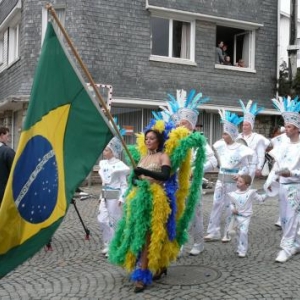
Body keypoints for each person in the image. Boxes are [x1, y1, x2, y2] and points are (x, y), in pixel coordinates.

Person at [204, 110, 253, 242]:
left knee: (229, 205)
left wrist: (239, 175)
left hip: (233, 182)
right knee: (216, 204)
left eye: (225, 133)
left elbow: (246, 166)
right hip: (221, 180)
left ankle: (227, 231)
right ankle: (212, 231)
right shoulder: (220, 146)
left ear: (232, 134)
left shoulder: (241, 149)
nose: (223, 136)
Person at [264, 96, 300, 263]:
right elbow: (277, 166)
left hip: (296, 186)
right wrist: (270, 181)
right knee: (285, 217)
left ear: (297, 128)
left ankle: (286, 248)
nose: (286, 129)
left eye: (290, 126)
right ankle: (294, 243)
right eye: (286, 126)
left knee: (292, 217)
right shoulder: (283, 145)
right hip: (284, 186)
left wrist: (292, 174)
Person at [97, 133, 130, 257]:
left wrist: (122, 197)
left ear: (113, 151)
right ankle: (107, 243)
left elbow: (124, 184)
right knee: (102, 219)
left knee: (114, 221)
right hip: (105, 195)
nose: (104, 151)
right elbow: (104, 183)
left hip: (115, 196)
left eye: (106, 149)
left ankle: (114, 244)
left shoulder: (119, 166)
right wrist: (101, 197)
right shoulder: (103, 163)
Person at [227, 174, 267, 257]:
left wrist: (268, 193)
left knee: (243, 232)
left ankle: (243, 250)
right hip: (236, 216)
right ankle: (239, 247)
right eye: (237, 181)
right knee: (237, 233)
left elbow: (260, 198)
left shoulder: (250, 193)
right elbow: (231, 204)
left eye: (240, 182)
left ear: (247, 185)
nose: (238, 183)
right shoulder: (233, 194)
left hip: (246, 217)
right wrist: (232, 209)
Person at [237, 100, 270, 181]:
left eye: (247, 125)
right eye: (243, 125)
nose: (244, 127)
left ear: (251, 126)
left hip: (251, 166)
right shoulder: (237, 137)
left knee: (245, 186)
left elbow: (261, 153)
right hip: (238, 166)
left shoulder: (257, 138)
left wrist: (259, 167)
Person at [0, 127, 15, 206]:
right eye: (8, 136)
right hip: (4, 195)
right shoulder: (7, 152)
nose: (8, 139)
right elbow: (16, 171)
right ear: (2, 136)